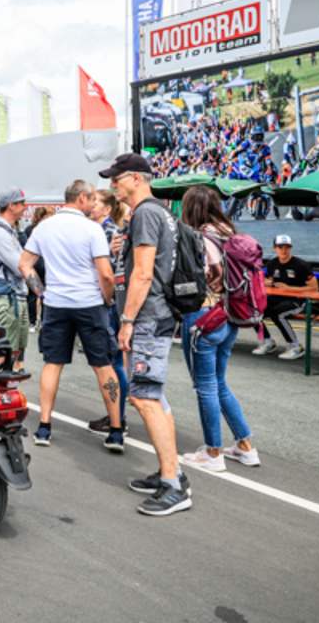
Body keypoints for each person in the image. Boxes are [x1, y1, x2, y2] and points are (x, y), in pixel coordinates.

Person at [100, 153, 190, 516]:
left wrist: (127, 319)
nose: (112, 185)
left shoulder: (147, 214)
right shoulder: (157, 213)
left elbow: (143, 274)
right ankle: (172, 472)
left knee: (146, 397)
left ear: (136, 178)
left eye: (116, 178)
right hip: (155, 314)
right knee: (149, 396)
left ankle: (173, 484)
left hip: (149, 316)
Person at [19, 181, 122, 453]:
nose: (93, 205)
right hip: (89, 303)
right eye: (91, 200)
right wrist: (107, 299)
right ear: (82, 198)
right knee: (103, 364)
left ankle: (44, 425)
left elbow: (25, 264)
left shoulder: (44, 227)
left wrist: (41, 293)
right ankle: (115, 429)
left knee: (53, 363)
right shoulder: (92, 229)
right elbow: (106, 273)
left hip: (56, 303)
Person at [178, 186, 259, 472]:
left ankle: (213, 452)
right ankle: (245, 445)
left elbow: (194, 278)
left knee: (205, 386)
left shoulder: (200, 238)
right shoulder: (230, 234)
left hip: (203, 315)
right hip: (231, 315)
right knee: (219, 382)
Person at [87, 189, 129, 434]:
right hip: (107, 300)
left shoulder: (109, 231)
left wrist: (107, 298)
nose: (92, 205)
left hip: (108, 302)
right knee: (110, 362)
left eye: (96, 202)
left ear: (106, 208)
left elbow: (109, 271)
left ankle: (118, 418)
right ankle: (116, 415)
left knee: (112, 362)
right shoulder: (103, 230)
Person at [0, 189, 30, 369]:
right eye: (22, 203)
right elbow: (20, 267)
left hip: (14, 297)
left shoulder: (9, 231)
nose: (25, 208)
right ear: (11, 206)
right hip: (5, 299)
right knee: (4, 353)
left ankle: (9, 391)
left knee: (15, 352)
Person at [255, 235, 318, 360]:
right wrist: (267, 282)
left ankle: (295, 347)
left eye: (287, 247)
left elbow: (315, 288)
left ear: (291, 248)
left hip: (298, 300)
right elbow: (271, 280)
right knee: (254, 310)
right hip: (278, 298)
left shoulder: (301, 265)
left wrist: (289, 288)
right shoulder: (272, 263)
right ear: (274, 248)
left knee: (277, 314)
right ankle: (267, 341)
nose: (284, 250)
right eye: (280, 247)